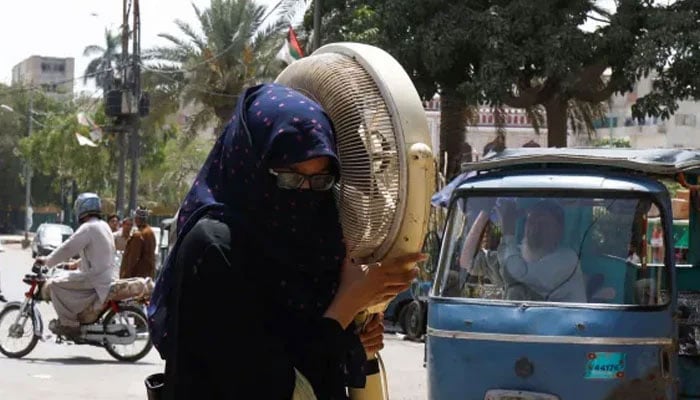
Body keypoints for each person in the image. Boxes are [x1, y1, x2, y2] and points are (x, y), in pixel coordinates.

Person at [147, 83, 423, 400]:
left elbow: (305, 343)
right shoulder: (214, 247)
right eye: (290, 179)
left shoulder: (314, 245)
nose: (304, 195)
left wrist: (353, 341)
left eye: (320, 180)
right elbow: (267, 386)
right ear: (251, 166)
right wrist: (346, 305)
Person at [35, 193, 116, 337]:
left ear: (82, 208)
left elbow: (68, 248)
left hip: (94, 278)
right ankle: (79, 316)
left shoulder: (88, 227)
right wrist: (74, 265)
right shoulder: (103, 225)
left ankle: (69, 324)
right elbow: (97, 253)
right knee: (62, 276)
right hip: (103, 275)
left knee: (54, 284)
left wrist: (48, 261)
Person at [496, 199, 586, 302]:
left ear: (558, 231)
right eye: (531, 221)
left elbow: (519, 274)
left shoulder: (567, 259)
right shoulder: (518, 252)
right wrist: (485, 212)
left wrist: (508, 231)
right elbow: (475, 264)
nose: (535, 227)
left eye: (543, 223)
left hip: (566, 317)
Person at [120, 209, 156, 279]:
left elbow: (133, 258)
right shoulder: (150, 232)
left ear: (137, 219)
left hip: (137, 278)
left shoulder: (138, 235)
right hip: (148, 276)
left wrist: (125, 275)